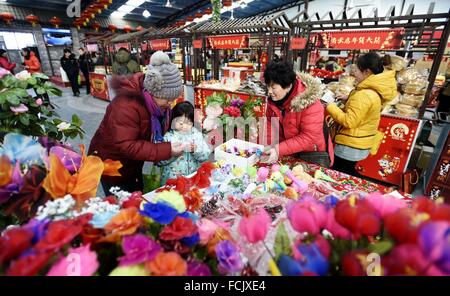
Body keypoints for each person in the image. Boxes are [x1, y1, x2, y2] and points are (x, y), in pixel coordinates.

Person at [88, 51, 185, 194]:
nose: (171, 103)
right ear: (153, 91)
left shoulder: (156, 104)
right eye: (167, 98)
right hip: (113, 167)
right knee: (123, 207)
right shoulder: (125, 106)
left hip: (132, 164)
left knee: (137, 198)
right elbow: (127, 145)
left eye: (174, 98)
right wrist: (166, 150)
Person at [325, 52, 397, 176]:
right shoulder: (374, 89)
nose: (354, 74)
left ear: (367, 72)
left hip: (350, 145)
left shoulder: (364, 94)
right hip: (361, 142)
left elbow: (349, 121)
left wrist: (328, 105)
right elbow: (365, 108)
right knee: (347, 171)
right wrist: (349, 98)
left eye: (357, 71)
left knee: (339, 173)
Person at [264, 61, 333, 167]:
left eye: (273, 88)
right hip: (287, 151)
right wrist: (270, 146)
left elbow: (309, 137)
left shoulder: (310, 102)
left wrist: (278, 149)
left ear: (287, 86)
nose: (269, 91)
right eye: (268, 86)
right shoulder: (273, 101)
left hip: (311, 153)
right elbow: (270, 125)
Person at [158, 101, 211, 185]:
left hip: (193, 177)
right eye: (181, 123)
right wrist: (172, 154)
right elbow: (159, 161)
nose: (184, 127)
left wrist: (195, 150)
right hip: (173, 180)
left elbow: (205, 156)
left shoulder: (195, 134)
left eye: (189, 123)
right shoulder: (168, 137)